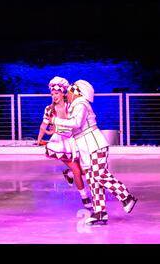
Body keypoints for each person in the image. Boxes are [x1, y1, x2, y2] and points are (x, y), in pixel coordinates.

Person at [50, 80, 138, 225]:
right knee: (92, 180)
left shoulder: (81, 104)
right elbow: (72, 128)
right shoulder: (74, 106)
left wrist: (56, 120)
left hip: (95, 145)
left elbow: (77, 123)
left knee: (99, 175)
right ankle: (100, 212)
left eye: (71, 91)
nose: (68, 94)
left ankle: (127, 197)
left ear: (77, 92)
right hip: (86, 148)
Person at [37, 77, 92, 210]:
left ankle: (68, 173)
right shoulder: (49, 109)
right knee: (77, 171)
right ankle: (85, 199)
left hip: (74, 141)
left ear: (62, 93)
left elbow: (76, 123)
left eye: (56, 93)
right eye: (52, 94)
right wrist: (39, 139)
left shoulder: (71, 106)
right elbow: (43, 125)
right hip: (60, 143)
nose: (54, 96)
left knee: (85, 170)